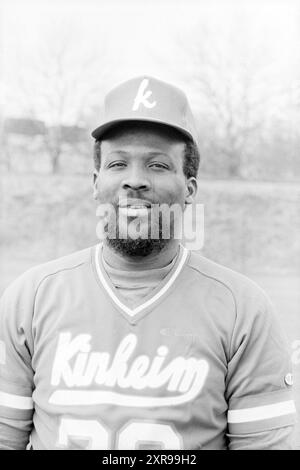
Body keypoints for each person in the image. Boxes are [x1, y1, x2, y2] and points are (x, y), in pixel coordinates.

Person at [0, 76, 297, 450]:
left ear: (189, 188)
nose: (135, 181)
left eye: (157, 165)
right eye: (118, 163)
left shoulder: (243, 309)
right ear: (96, 182)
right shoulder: (31, 298)